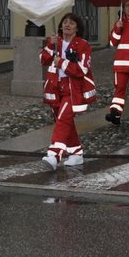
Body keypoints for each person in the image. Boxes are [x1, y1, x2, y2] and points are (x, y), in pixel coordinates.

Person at [41, 11, 97, 167]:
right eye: (65, 22)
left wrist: (62, 63)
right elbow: (43, 60)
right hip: (55, 88)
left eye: (72, 23)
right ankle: (77, 152)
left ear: (77, 28)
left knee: (63, 120)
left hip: (72, 90)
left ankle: (54, 155)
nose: (67, 25)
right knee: (65, 121)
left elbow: (82, 69)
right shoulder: (55, 41)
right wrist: (50, 46)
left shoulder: (83, 45)